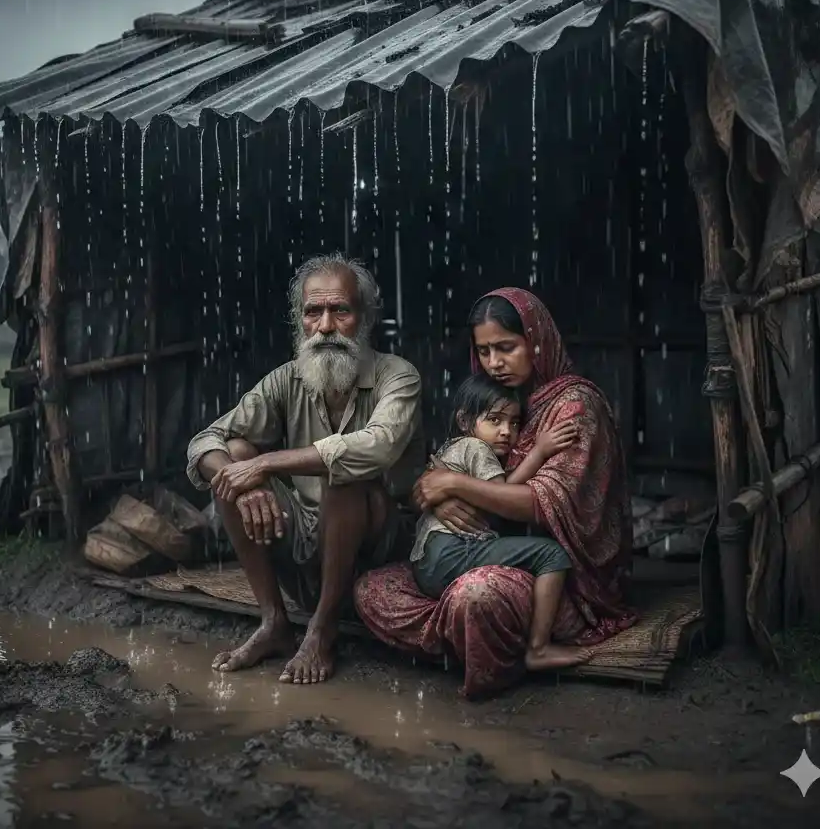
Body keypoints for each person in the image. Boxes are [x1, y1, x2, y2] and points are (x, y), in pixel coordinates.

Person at [354, 288, 636, 698]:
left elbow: (539, 504)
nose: (494, 363)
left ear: (537, 340)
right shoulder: (495, 400)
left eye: (506, 348)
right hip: (481, 551)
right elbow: (430, 483)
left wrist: (454, 485)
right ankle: (474, 634)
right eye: (484, 351)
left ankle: (492, 642)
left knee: (477, 594)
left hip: (559, 579)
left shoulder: (574, 406)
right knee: (372, 589)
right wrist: (438, 496)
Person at [186, 253, 426, 686]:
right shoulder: (287, 379)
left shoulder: (398, 376)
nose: (326, 326)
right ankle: (273, 621)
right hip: (307, 549)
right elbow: (206, 441)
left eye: (340, 311)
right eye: (314, 312)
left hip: (378, 552)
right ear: (300, 320)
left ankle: (322, 630)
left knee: (342, 471)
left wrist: (264, 463)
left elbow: (378, 445)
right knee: (233, 453)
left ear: (365, 318)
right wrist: (245, 484)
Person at [410, 373, 591, 671]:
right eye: (495, 420)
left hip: (425, 563)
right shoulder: (477, 448)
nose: (507, 431)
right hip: (450, 553)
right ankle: (539, 648)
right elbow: (503, 495)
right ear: (465, 421)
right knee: (552, 554)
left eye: (515, 423)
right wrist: (540, 452)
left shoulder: (450, 448)